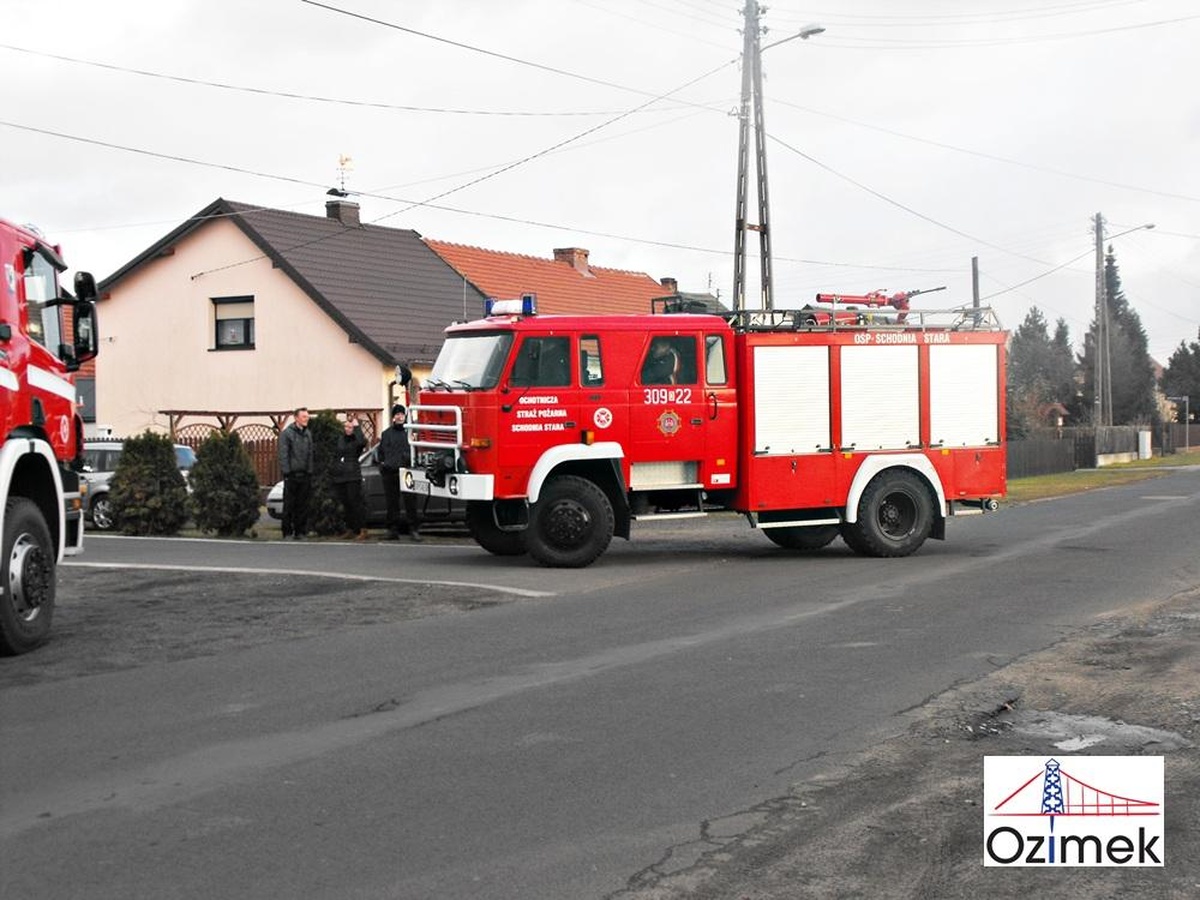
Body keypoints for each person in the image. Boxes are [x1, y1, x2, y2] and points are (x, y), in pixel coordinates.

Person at [376, 403, 422, 542]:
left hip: (407, 472)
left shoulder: (410, 433)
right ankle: (392, 530)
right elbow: (381, 452)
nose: (400, 417)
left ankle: (413, 529)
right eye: (397, 414)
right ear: (393, 417)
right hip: (390, 472)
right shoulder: (386, 434)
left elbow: (416, 450)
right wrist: (383, 464)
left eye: (402, 414)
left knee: (410, 502)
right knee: (391, 503)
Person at [278, 407, 314, 540]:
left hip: (305, 475)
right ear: (296, 418)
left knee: (302, 505)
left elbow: (310, 454)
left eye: (307, 416)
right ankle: (287, 531)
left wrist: (309, 471)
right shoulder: (287, 434)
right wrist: (287, 472)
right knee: (289, 504)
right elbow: (283, 454)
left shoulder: (308, 434)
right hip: (292, 475)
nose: (306, 419)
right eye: (304, 416)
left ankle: (300, 531)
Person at [332, 413, 369, 540]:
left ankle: (362, 529)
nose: (347, 429)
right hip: (341, 475)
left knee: (355, 503)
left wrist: (357, 427)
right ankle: (351, 528)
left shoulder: (357, 440)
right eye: (346, 427)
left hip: (353, 475)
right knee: (346, 503)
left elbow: (362, 442)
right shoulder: (340, 439)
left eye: (350, 427)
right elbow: (337, 453)